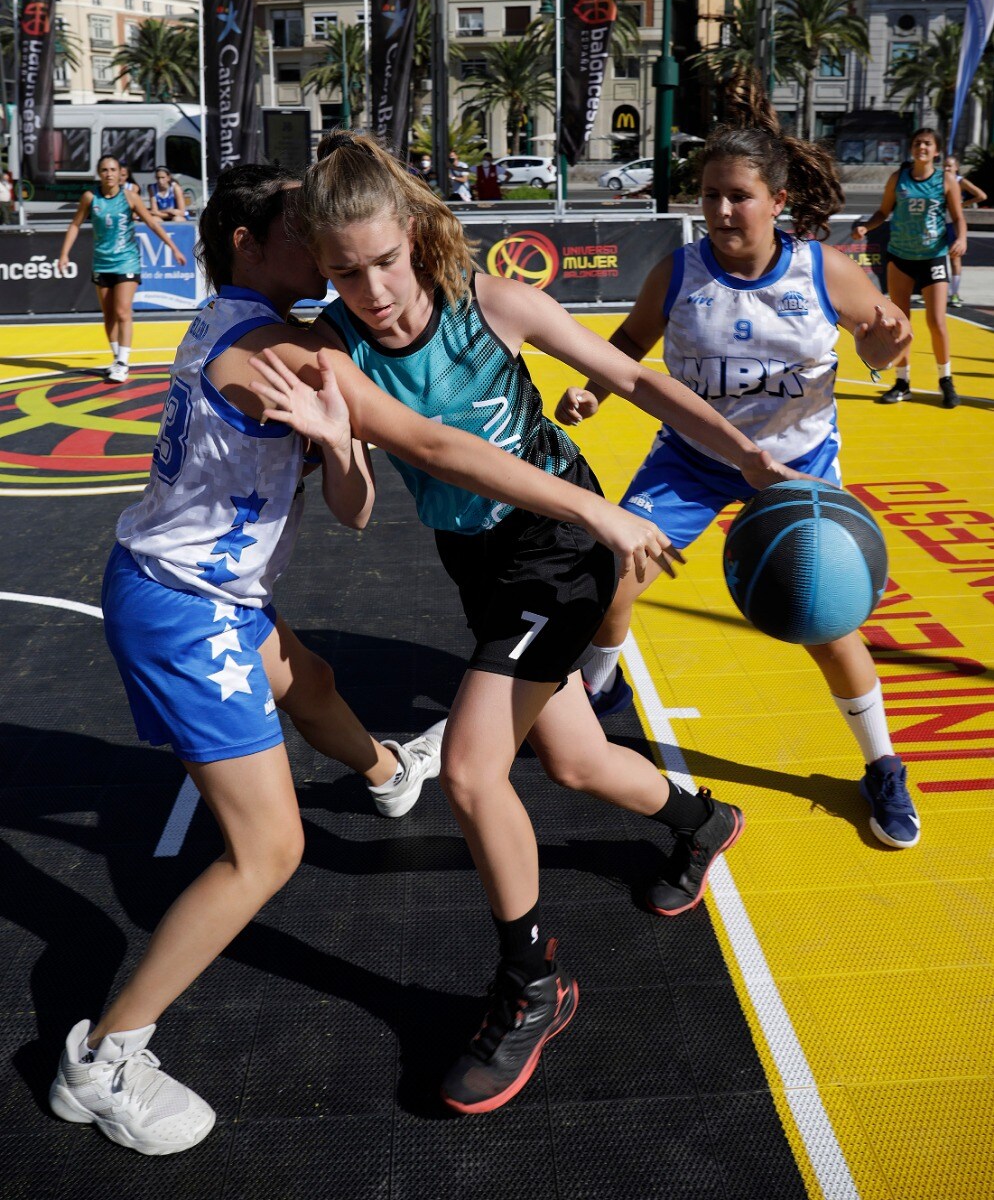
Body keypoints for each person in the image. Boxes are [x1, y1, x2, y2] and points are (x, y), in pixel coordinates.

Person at [49, 163, 673, 1155]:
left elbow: (356, 501)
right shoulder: (289, 350)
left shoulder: (229, 315)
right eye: (310, 239)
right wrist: (592, 504)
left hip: (200, 587)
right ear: (253, 244)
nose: (334, 261)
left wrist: (341, 450)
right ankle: (105, 1058)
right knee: (269, 851)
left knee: (315, 682)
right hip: (187, 611)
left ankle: (387, 770)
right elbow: (428, 443)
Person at [292, 133, 798, 1115]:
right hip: (478, 560)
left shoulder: (495, 306)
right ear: (323, 266)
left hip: (562, 541)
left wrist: (744, 456)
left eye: (385, 262)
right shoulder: (332, 346)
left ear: (412, 234)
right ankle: (705, 822)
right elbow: (354, 511)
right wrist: (336, 447)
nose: (374, 289)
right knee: (571, 758)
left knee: (477, 769)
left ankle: (532, 987)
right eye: (346, 271)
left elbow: (639, 382)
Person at [555, 122, 920, 853]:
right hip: (693, 459)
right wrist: (595, 388)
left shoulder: (824, 271)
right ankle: (598, 685)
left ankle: (883, 764)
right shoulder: (680, 271)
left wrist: (883, 347)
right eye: (712, 195)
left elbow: (880, 342)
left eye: (740, 196)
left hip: (796, 466)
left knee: (830, 622)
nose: (723, 210)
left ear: (777, 200)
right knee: (615, 573)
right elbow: (629, 343)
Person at [854, 128, 966, 408]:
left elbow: (958, 217)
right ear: (912, 149)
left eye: (928, 143)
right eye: (917, 143)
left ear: (936, 151)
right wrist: (867, 226)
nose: (922, 147)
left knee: (936, 321)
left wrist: (962, 238)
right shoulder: (898, 178)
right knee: (901, 323)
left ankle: (945, 380)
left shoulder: (945, 180)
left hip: (933, 256)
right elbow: (883, 212)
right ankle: (902, 382)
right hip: (901, 257)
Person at [57, 155, 187, 382]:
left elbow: (152, 223)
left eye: (113, 169)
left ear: (120, 173)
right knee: (108, 315)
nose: (109, 174)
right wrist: (64, 254)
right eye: (104, 170)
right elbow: (75, 224)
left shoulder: (129, 197)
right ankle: (117, 357)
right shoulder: (90, 197)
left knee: (122, 311)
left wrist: (173, 247)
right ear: (99, 173)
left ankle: (123, 361)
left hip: (127, 261)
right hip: (102, 262)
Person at [944, 153, 987, 307]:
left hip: (953, 224)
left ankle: (954, 294)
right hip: (938, 223)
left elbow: (982, 195)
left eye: (950, 165)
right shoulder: (937, 180)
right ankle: (929, 292)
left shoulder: (960, 181)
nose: (947, 168)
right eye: (944, 166)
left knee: (955, 259)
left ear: (956, 167)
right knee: (933, 258)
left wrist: (962, 204)